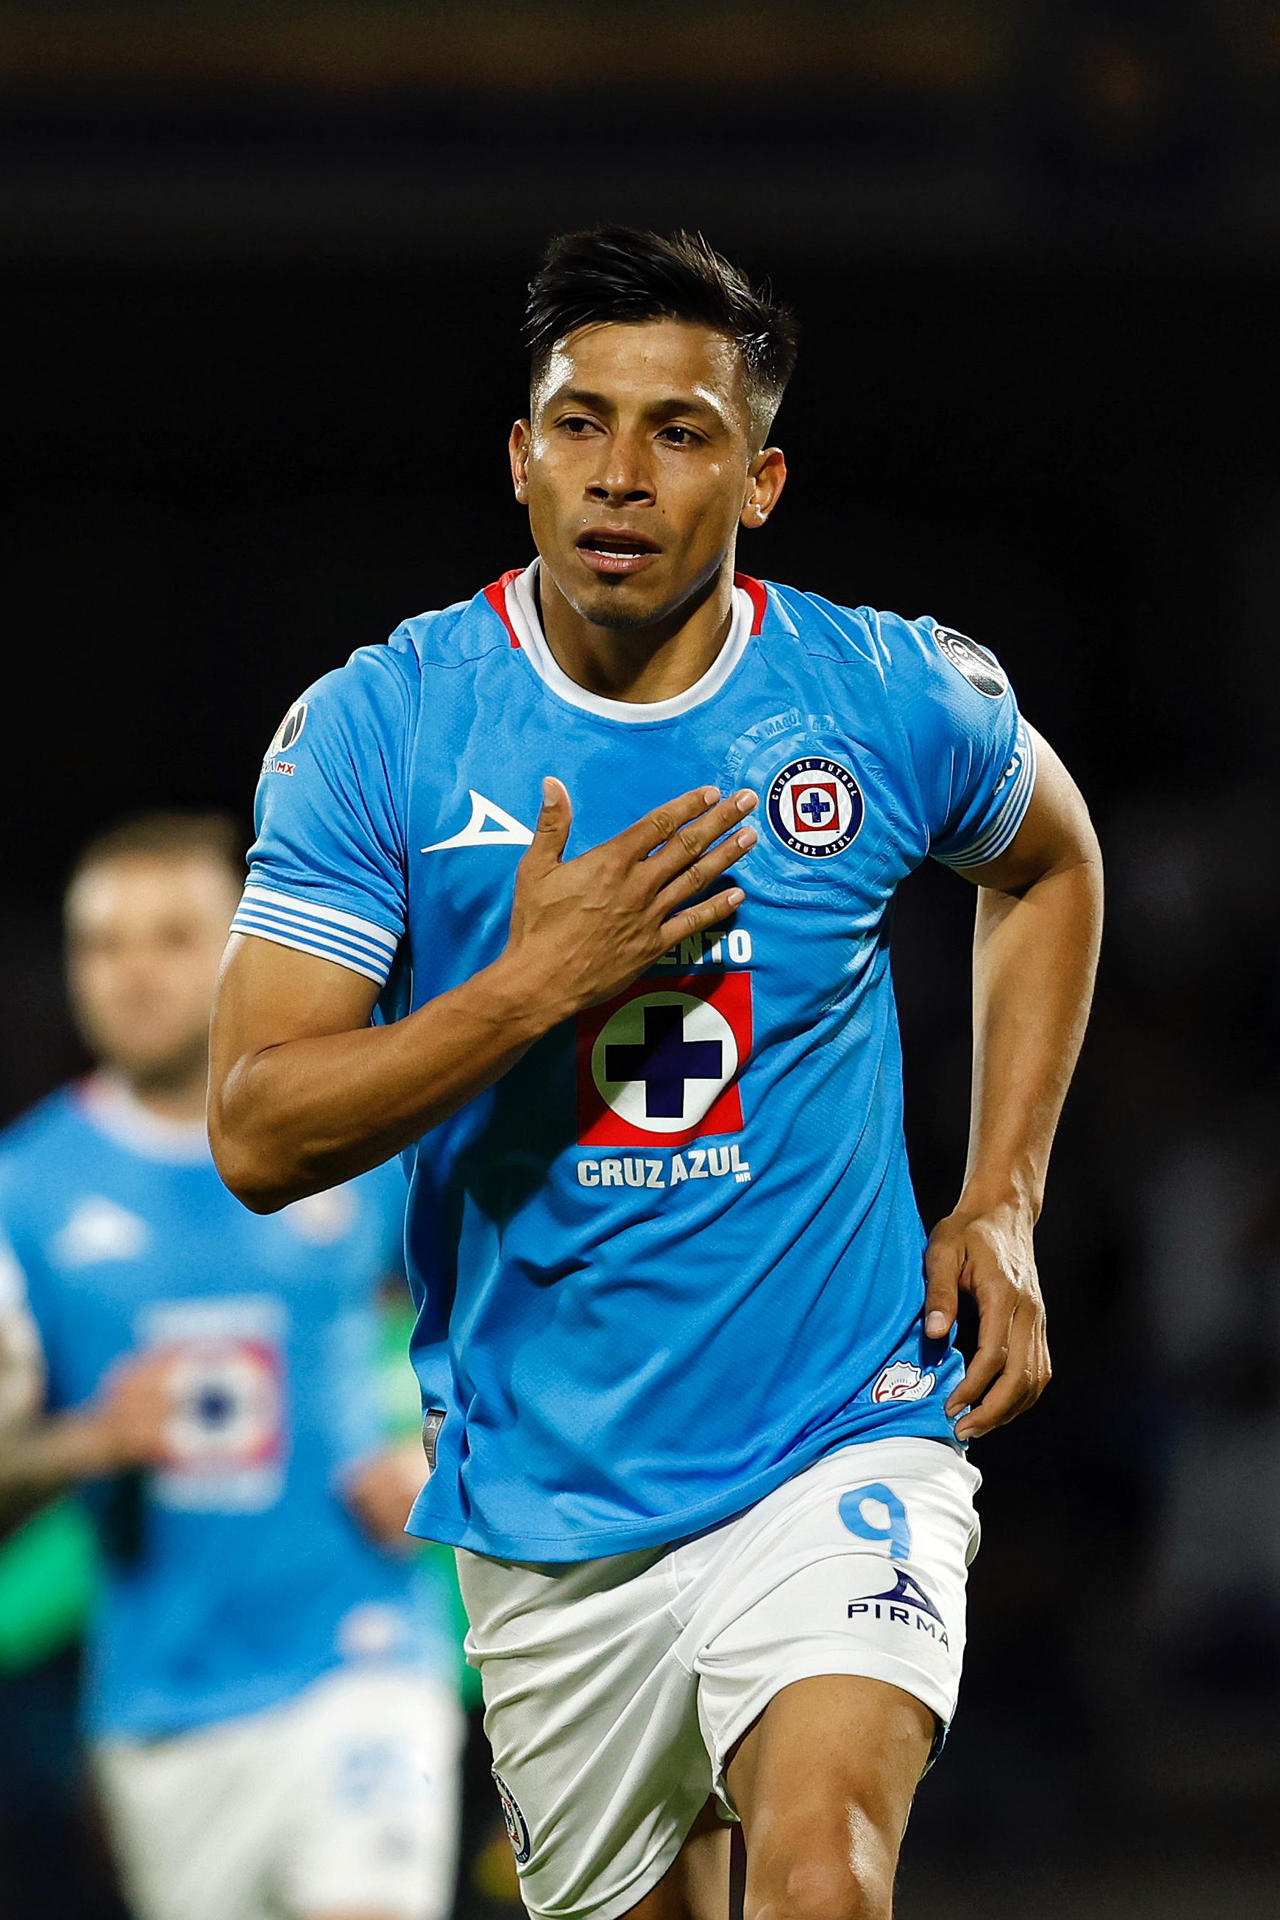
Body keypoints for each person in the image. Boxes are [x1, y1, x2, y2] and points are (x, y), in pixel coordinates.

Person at [208, 228, 1104, 1920]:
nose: (622, 475)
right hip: (553, 1503)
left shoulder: (883, 693)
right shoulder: (381, 729)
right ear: (520, 459)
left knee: (824, 1877)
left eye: (679, 432)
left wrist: (1004, 1198)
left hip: (840, 1427)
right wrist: (541, 983)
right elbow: (257, 1127)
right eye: (578, 423)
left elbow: (1050, 863)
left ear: (759, 481)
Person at [0, 813, 464, 1920]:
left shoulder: (354, 1137)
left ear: (237, 949)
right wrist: (85, 1442)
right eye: (101, 945)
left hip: (364, 1659)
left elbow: (509, 1323)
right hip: (164, 1701)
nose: (132, 973)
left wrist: (443, 1449)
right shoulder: (27, 1191)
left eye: (170, 937)